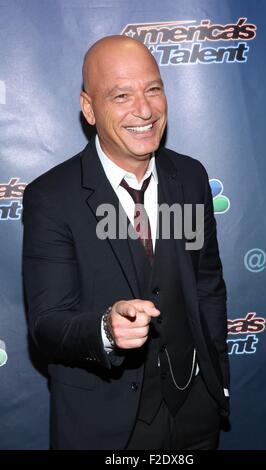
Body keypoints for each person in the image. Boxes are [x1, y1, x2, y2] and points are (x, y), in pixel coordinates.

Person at [23, 35, 229, 450]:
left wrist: (215, 379)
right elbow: (46, 324)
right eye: (121, 95)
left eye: (153, 89)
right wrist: (105, 328)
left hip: (195, 413)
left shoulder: (190, 178)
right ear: (89, 109)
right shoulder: (53, 197)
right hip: (106, 427)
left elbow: (208, 285)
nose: (145, 109)